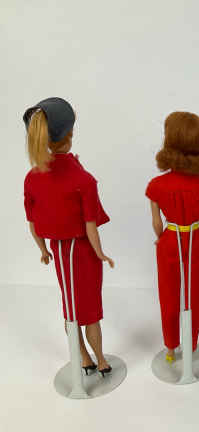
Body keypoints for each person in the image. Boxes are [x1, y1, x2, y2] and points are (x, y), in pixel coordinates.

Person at [23, 97, 114, 377]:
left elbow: (33, 223)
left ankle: (83, 357)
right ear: (70, 133)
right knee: (91, 311)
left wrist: (43, 250)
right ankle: (100, 360)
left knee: (70, 306)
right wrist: (100, 253)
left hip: (60, 252)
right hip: (84, 252)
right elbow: (90, 226)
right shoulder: (83, 180)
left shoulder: (32, 177)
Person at [146, 112, 199, 363]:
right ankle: (191, 344)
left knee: (168, 295)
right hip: (194, 239)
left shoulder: (156, 185)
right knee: (193, 295)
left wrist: (161, 237)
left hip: (169, 239)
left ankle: (170, 347)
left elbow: (157, 224)